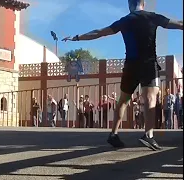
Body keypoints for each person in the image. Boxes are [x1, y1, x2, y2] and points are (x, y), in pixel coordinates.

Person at [62, 0, 183, 150]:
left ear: (129, 5)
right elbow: (178, 24)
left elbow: (99, 33)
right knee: (151, 98)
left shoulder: (125, 21)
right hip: (149, 64)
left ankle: (114, 134)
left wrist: (77, 37)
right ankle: (148, 136)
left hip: (130, 65)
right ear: (143, 4)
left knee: (123, 100)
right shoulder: (153, 17)